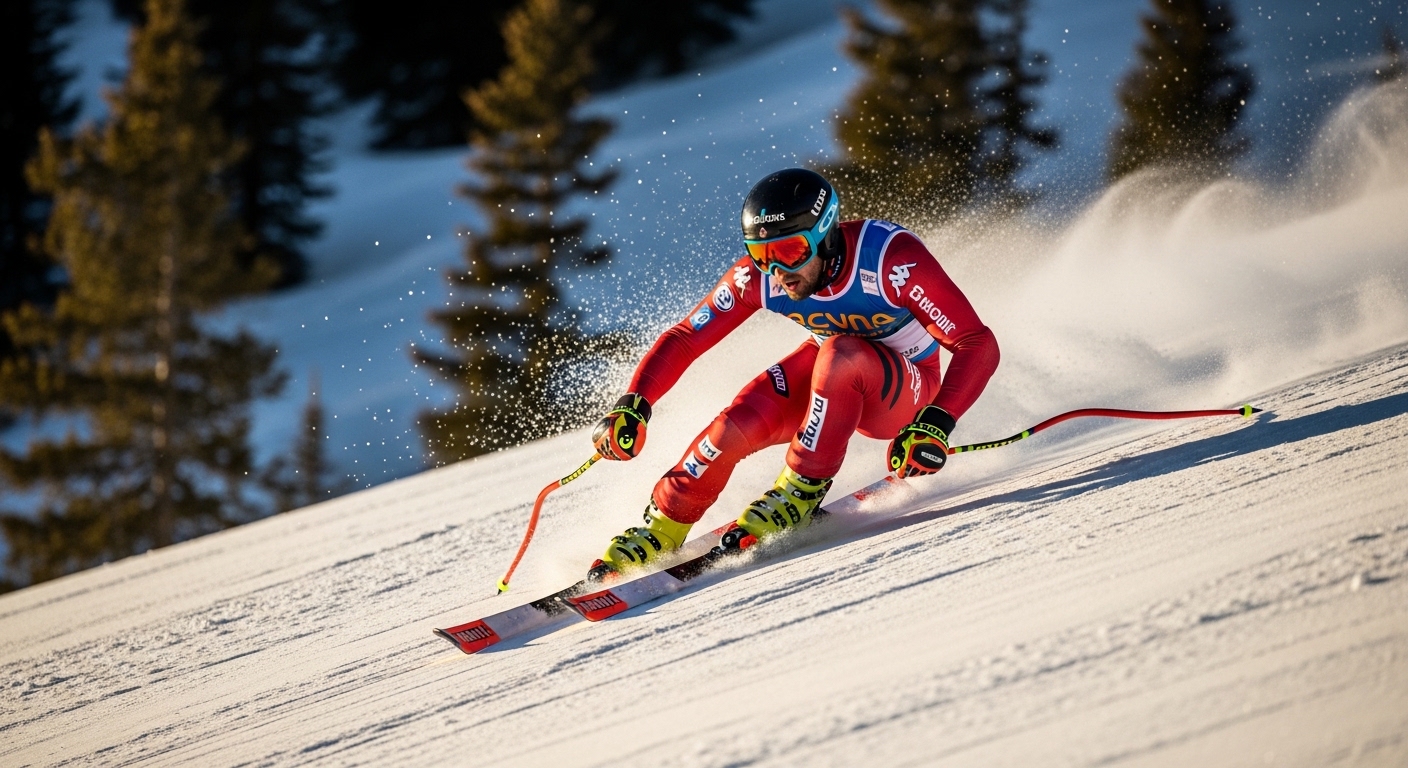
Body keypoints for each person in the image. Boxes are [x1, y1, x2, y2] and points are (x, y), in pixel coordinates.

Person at [588, 168, 999, 576]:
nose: (778, 272)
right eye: (761, 255)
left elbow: (976, 342)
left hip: (907, 389)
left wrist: (936, 422)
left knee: (841, 353)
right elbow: (685, 337)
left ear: (826, 233)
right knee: (739, 422)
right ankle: (663, 522)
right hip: (830, 369)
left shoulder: (890, 259)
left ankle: (800, 493)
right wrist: (635, 403)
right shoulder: (759, 280)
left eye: (788, 253)